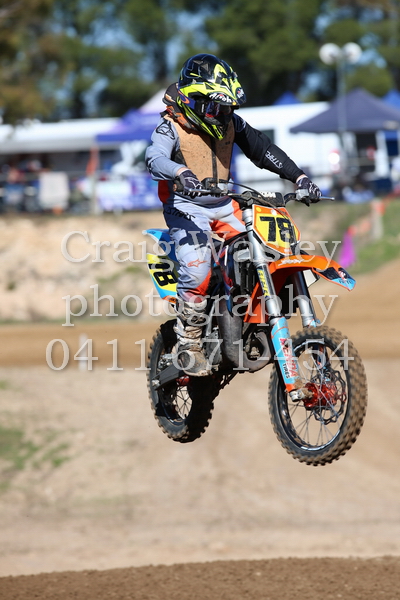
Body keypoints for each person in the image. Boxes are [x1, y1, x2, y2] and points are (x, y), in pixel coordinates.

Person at [145, 53, 321, 376]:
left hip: (225, 204)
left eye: (228, 108)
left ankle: (254, 315)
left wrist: (299, 177)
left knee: (273, 247)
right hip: (185, 205)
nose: (223, 115)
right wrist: (180, 172)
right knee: (198, 267)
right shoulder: (170, 126)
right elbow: (154, 158)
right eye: (217, 107)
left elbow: (263, 149)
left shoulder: (231, 123)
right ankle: (189, 342)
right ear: (194, 101)